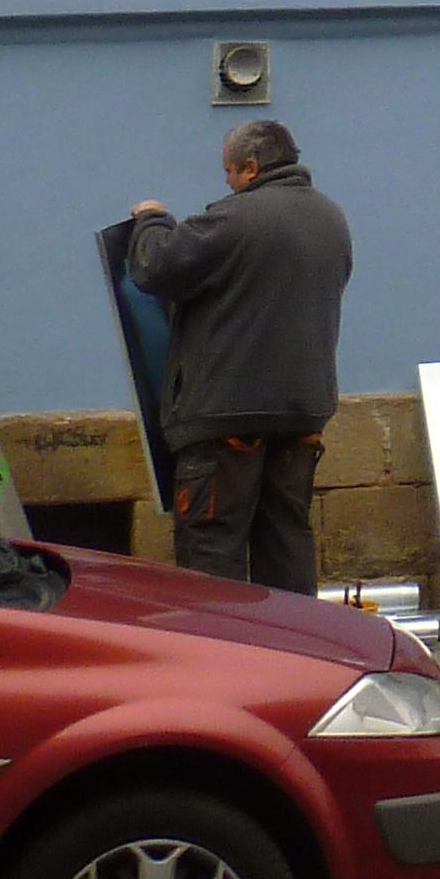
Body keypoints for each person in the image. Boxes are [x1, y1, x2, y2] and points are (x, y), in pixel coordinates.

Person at [125, 115, 355, 593]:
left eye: (228, 172)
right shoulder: (331, 219)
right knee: (286, 541)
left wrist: (151, 219)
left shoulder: (234, 219)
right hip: (301, 412)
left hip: (225, 415)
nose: (227, 183)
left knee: (212, 549)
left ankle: (223, 643)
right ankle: (295, 638)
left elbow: (155, 268)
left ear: (251, 168)